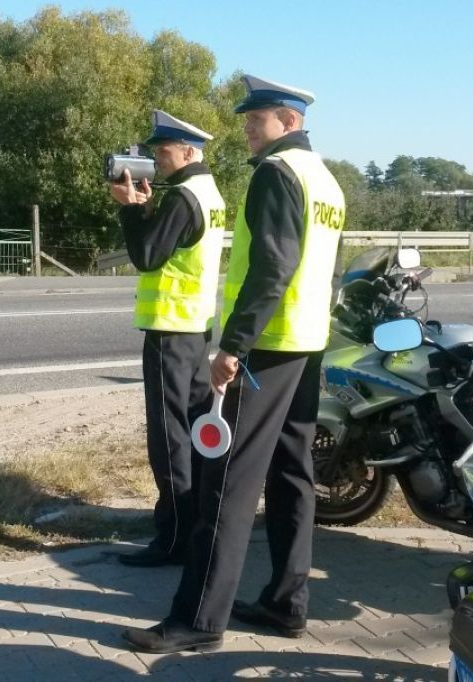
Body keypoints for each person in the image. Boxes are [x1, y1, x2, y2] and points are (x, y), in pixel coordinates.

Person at [122, 75, 345, 653]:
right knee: (294, 474)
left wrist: (232, 350)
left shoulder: (276, 173)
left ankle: (198, 620)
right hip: (307, 341)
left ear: (289, 122)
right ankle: (285, 603)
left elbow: (272, 269)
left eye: (257, 118)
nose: (246, 127)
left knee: (226, 483)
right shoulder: (325, 180)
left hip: (267, 346)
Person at [109, 110, 226, 567]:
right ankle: (197, 523)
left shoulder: (182, 196)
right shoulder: (208, 191)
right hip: (194, 328)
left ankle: (174, 537)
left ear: (189, 151)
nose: (156, 161)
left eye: (163, 152)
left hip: (171, 330)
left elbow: (146, 255)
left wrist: (130, 208)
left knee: (170, 436)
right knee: (195, 430)